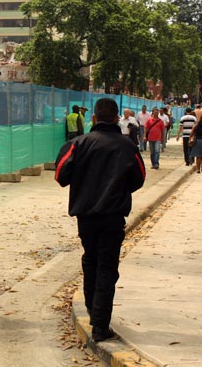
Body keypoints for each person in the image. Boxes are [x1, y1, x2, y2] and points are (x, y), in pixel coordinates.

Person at [54, 98, 146, 342]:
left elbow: (60, 174)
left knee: (91, 260)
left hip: (86, 216)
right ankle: (100, 324)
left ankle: (92, 310)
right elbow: (139, 178)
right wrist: (118, 189)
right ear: (117, 119)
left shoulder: (78, 144)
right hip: (113, 216)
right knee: (107, 266)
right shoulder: (128, 146)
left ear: (94, 118)